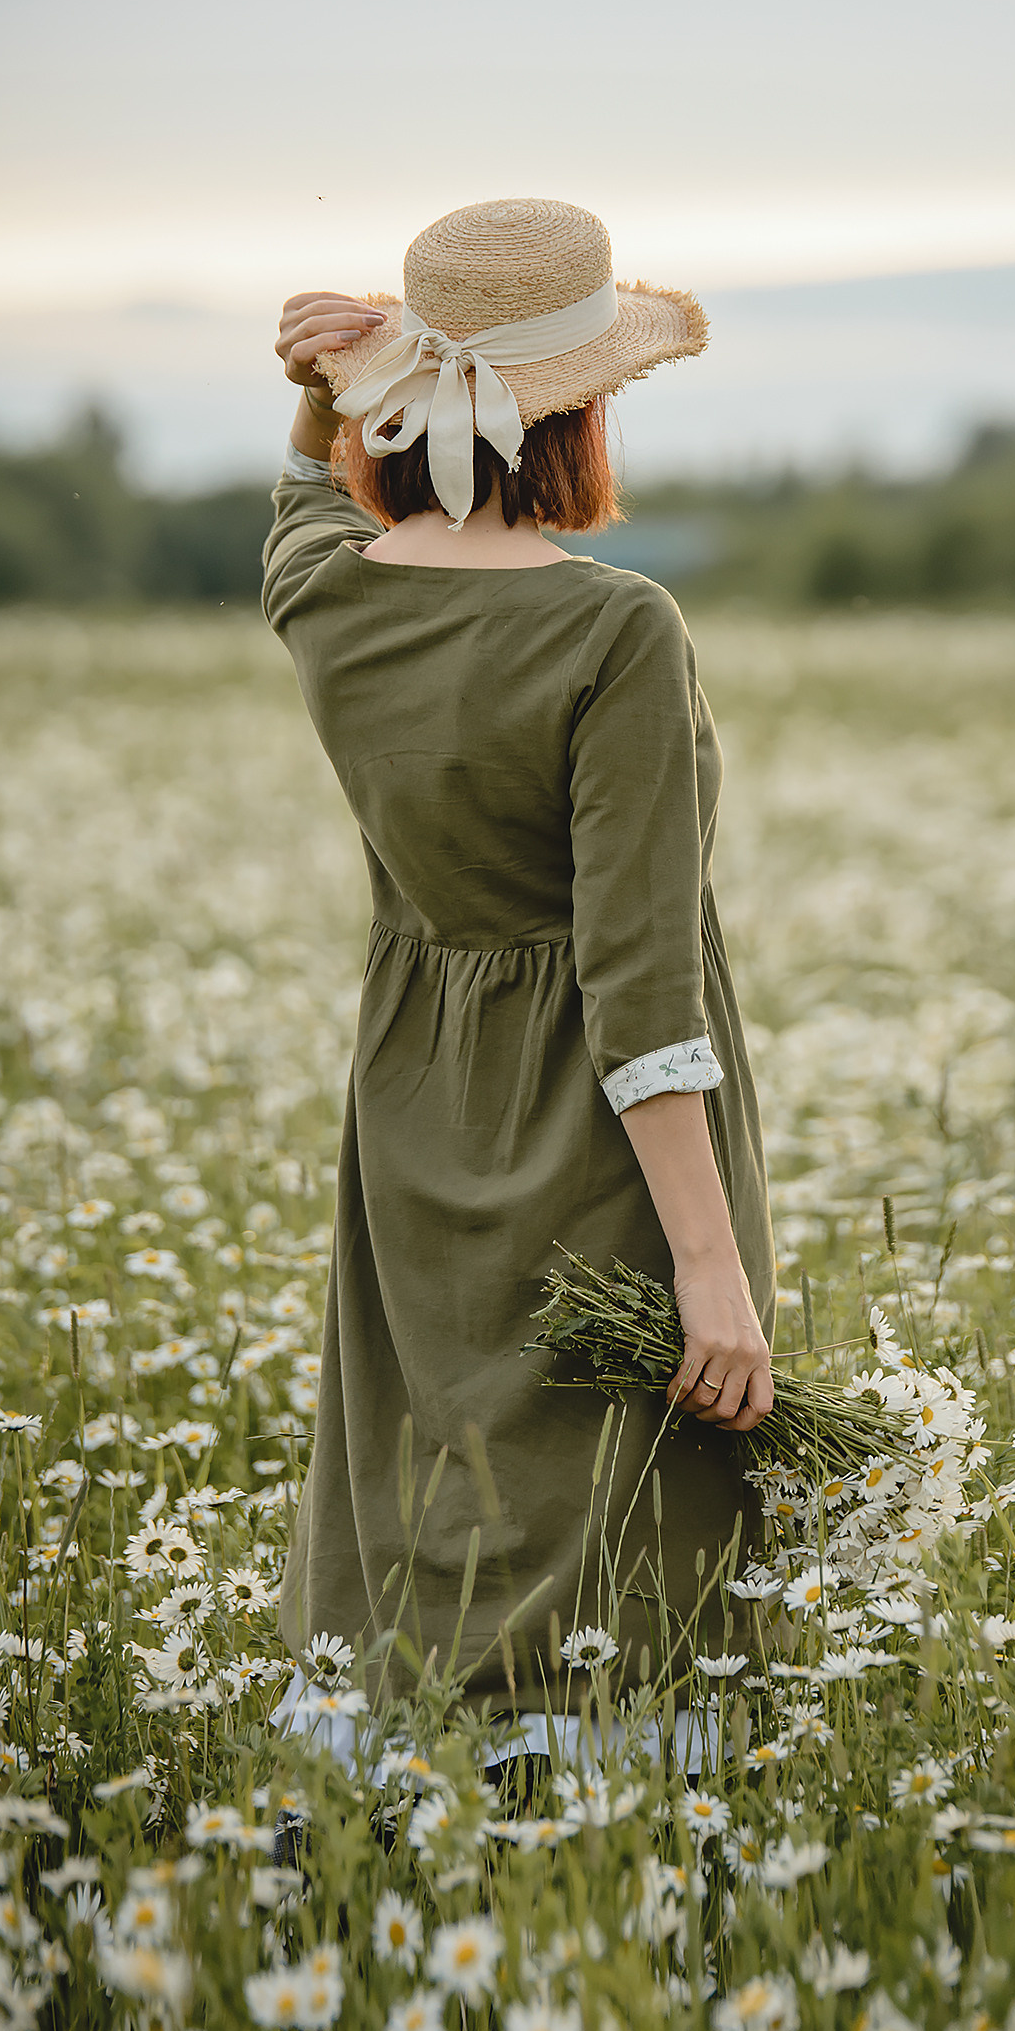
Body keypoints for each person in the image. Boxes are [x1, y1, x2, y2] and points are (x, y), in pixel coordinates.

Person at [262, 196, 774, 1726]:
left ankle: (394, 1778)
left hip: (416, 1092)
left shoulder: (325, 598)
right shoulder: (617, 630)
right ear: (578, 420)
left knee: (427, 1438)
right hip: (598, 1123)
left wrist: (315, 391)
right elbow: (638, 984)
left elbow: (303, 500)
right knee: (632, 1475)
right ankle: (614, 1812)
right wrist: (706, 1265)